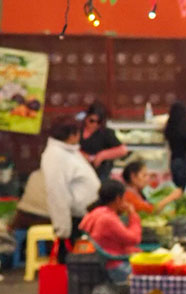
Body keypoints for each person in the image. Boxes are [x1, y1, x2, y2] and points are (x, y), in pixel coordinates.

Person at [40, 117, 100, 248]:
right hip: (73, 222)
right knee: (74, 263)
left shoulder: (68, 151)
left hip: (85, 218)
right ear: (72, 135)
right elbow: (57, 192)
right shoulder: (55, 156)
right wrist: (63, 229)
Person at [79, 179, 142, 259]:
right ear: (118, 199)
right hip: (112, 263)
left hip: (99, 259)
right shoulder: (108, 219)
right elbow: (134, 239)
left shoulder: (95, 212)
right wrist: (132, 214)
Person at [80, 102, 128, 184]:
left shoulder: (105, 133)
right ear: (86, 118)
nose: (94, 124)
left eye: (98, 122)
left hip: (99, 175)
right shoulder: (77, 130)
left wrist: (101, 155)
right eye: (91, 121)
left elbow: (122, 150)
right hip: (80, 172)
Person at [165, 102, 186, 190]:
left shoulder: (169, 127)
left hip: (173, 160)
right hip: (184, 161)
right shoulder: (185, 129)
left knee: (177, 188)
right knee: (185, 189)